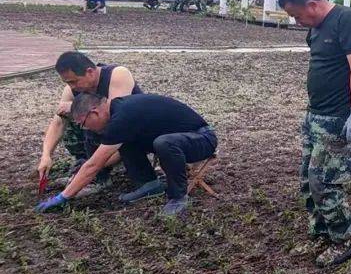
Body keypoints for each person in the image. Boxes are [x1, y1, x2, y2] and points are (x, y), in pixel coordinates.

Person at [278, 0, 351, 267]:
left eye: (297, 15)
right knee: (307, 179)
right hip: (314, 115)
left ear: (312, 4)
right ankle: (320, 233)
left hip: (337, 118)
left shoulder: (347, 20)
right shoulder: (315, 29)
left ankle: (345, 239)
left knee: (324, 182)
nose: (297, 22)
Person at [35, 92, 217, 216]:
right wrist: (83, 168)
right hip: (181, 140)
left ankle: (178, 197)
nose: (85, 128)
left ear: (95, 112)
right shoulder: (118, 112)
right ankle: (149, 184)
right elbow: (103, 159)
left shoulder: (123, 116)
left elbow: (94, 166)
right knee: (129, 140)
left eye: (83, 123)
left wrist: (63, 196)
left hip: (202, 139)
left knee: (165, 143)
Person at [37, 52, 142, 193]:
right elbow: (58, 123)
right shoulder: (73, 89)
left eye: (74, 81)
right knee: (70, 118)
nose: (72, 86)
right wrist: (46, 155)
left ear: (90, 72)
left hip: (131, 135)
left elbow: (116, 117)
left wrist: (73, 107)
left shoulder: (117, 75)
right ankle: (84, 167)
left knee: (91, 118)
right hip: (103, 139)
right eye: (68, 82)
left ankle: (97, 174)